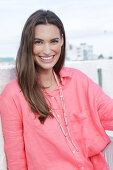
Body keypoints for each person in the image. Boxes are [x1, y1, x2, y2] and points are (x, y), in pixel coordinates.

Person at [0, 9, 113, 170]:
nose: (47, 50)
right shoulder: (13, 95)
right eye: (38, 42)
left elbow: (109, 111)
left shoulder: (78, 80)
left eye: (53, 41)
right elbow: (16, 159)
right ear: (28, 43)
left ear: (62, 41)